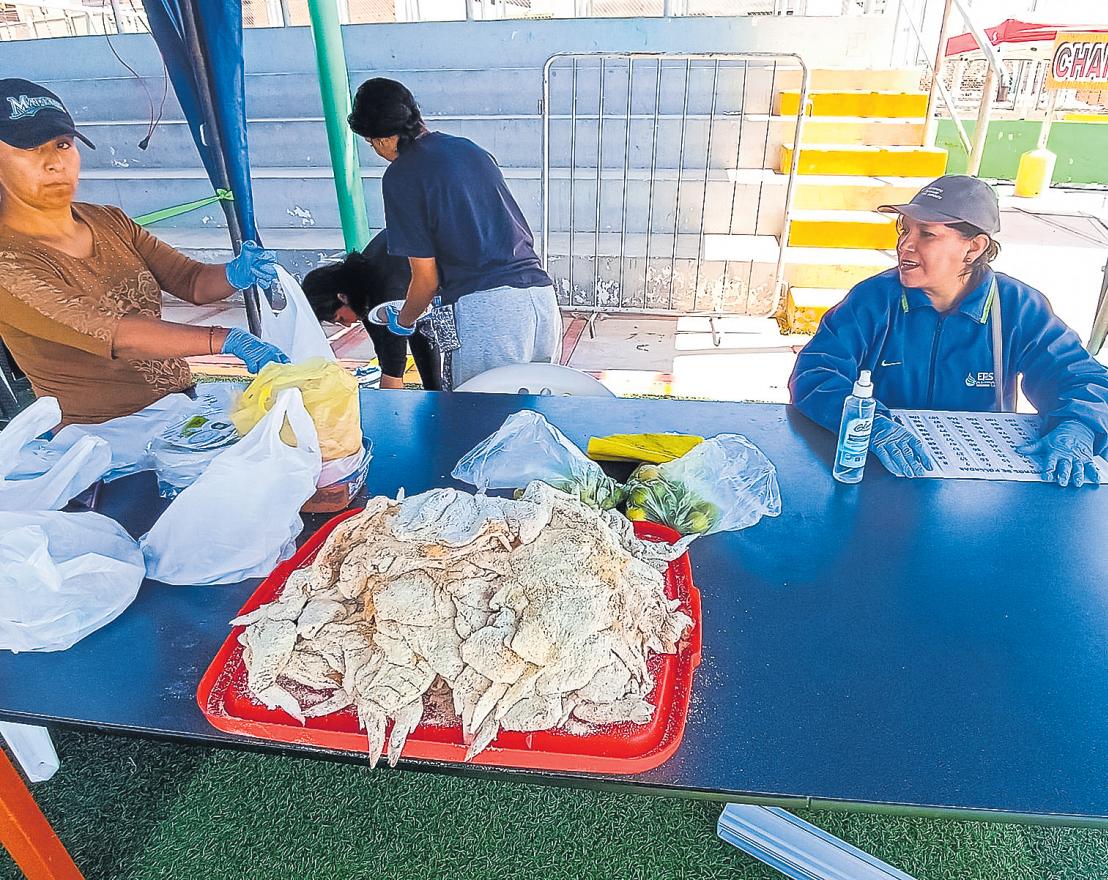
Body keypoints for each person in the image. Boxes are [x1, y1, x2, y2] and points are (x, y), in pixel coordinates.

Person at [0, 78, 288, 426]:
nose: (54, 163)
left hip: (179, 405)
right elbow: (116, 335)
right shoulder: (8, 262)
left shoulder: (109, 221)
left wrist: (234, 273)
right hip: (102, 431)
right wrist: (226, 339)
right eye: (31, 149)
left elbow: (191, 281)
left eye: (62, 145)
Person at [789, 174, 1108, 488]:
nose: (905, 244)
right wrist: (872, 426)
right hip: (883, 472)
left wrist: (1077, 426)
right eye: (905, 229)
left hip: (976, 489)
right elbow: (816, 372)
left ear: (974, 248)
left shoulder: (1016, 307)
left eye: (927, 234)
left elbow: (1082, 378)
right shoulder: (874, 299)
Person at [347, 78, 561, 389]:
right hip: (541, 301)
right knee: (534, 415)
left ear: (381, 138)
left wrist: (403, 321)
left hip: (489, 315)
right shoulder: (469, 149)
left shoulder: (401, 175)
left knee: (474, 416)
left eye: (371, 143)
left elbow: (426, 280)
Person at [302, 230, 441, 390]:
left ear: (342, 297)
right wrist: (434, 391)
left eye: (340, 319)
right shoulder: (363, 289)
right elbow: (386, 353)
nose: (347, 325)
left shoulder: (387, 291)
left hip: (459, 269)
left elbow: (393, 363)